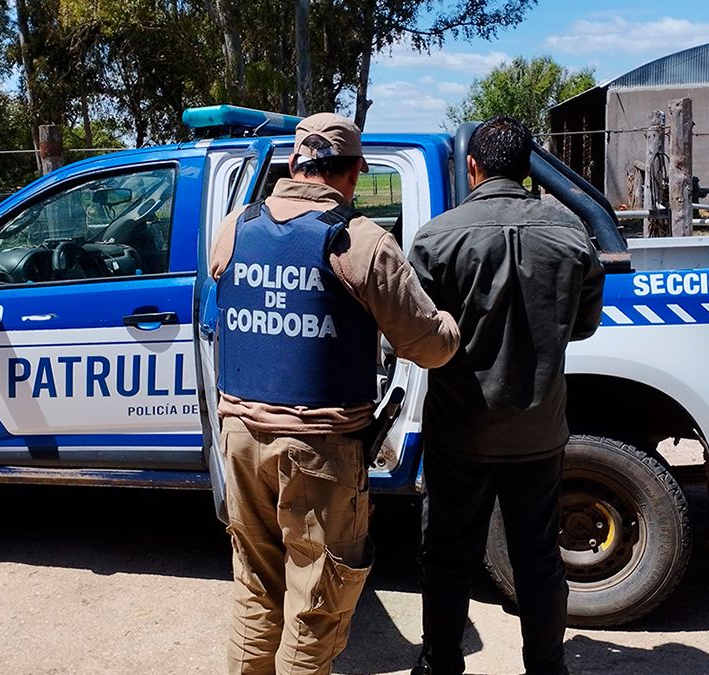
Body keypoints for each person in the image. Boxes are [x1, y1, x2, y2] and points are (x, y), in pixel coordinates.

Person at [211, 112, 460, 674]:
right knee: (317, 604)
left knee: (255, 590)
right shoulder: (362, 242)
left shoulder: (233, 227)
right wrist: (451, 319)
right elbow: (431, 346)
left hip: (241, 441)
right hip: (319, 451)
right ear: (352, 174)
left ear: (295, 163)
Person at [407, 116, 605, 675]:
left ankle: (441, 664)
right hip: (539, 433)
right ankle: (547, 668)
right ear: (527, 170)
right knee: (540, 558)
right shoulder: (571, 235)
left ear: (472, 166)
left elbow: (420, 333)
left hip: (459, 430)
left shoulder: (436, 237)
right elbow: (583, 326)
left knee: (447, 556)